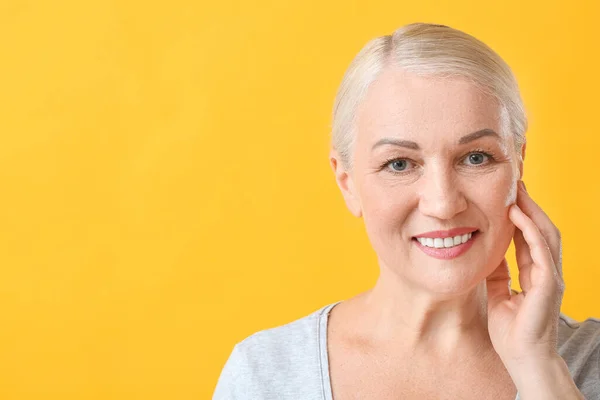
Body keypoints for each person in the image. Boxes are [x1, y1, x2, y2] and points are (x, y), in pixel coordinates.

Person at [213, 22, 600, 399]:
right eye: (399, 163)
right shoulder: (264, 373)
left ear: (518, 163)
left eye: (476, 157)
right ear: (347, 182)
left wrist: (540, 370)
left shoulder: (590, 361)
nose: (444, 203)